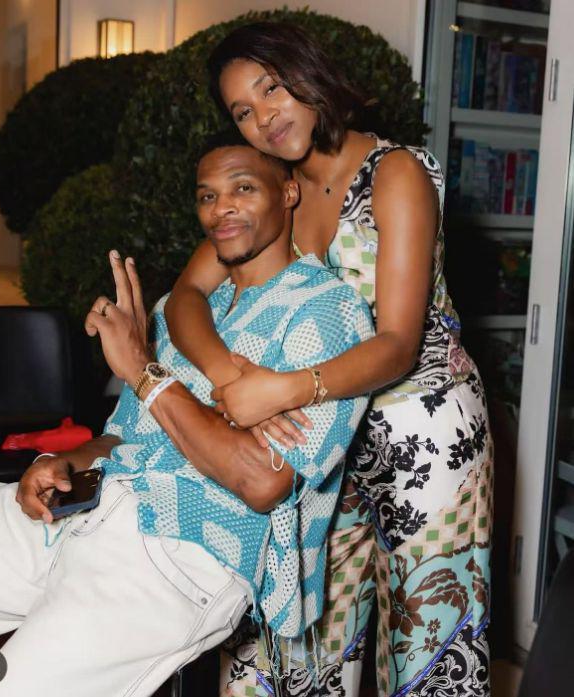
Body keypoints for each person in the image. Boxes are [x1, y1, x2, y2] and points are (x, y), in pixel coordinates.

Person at [0, 134, 374, 696]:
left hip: (178, 557)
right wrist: (62, 462)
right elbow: (123, 437)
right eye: (207, 196)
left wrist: (145, 373)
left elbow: (261, 480)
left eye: (243, 189)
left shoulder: (327, 312)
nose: (221, 208)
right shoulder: (183, 310)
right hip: (79, 517)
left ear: (288, 193)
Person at [163, 22, 493, 697]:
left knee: (428, 663)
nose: (263, 118)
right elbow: (185, 296)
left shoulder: (394, 173)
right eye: (242, 111)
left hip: (424, 438)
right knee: (284, 656)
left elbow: (397, 343)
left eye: (271, 89)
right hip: (317, 450)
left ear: (308, 73)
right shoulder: (273, 188)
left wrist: (281, 389)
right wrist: (230, 377)